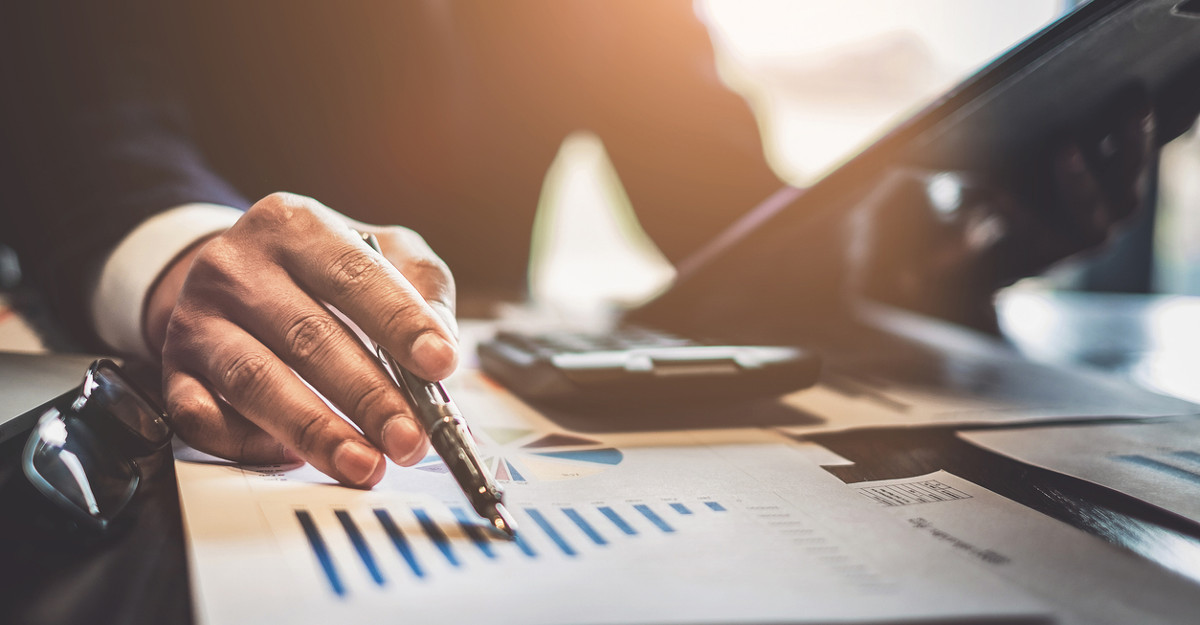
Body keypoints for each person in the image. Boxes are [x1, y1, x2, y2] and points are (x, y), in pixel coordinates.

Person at [0, 1, 1164, 488]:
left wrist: (965, 244)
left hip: (442, 390)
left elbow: (728, 215)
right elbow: (82, 111)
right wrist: (180, 254)